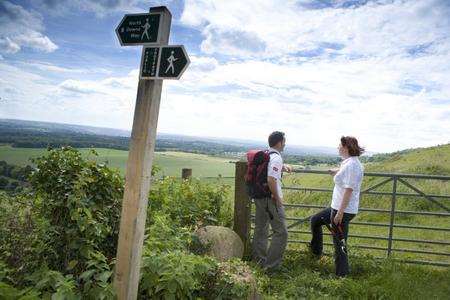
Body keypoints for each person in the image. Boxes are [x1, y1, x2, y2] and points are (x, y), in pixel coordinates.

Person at [309, 136, 364, 277]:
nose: (338, 147)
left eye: (340, 145)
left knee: (339, 243)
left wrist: (339, 213)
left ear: (346, 147)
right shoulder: (349, 163)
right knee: (315, 220)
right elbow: (344, 171)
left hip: (342, 210)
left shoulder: (352, 165)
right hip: (337, 208)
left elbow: (349, 189)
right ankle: (316, 252)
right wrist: (336, 171)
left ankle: (341, 275)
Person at [252, 131, 293, 271]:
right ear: (279, 142)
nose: (285, 144)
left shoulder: (267, 154)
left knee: (261, 228)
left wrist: (283, 166)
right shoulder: (276, 158)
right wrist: (277, 198)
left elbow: (269, 169)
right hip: (271, 199)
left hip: (259, 197)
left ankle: (259, 261)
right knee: (281, 232)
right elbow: (271, 179)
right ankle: (271, 267)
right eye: (284, 141)